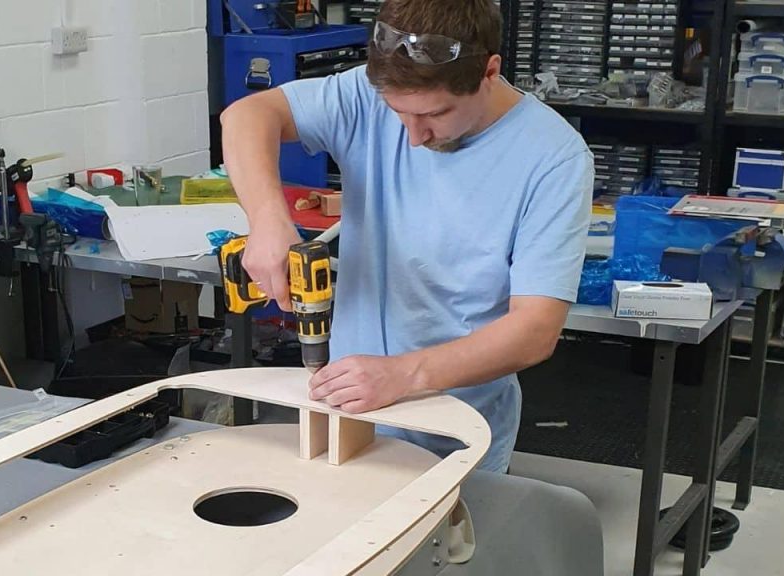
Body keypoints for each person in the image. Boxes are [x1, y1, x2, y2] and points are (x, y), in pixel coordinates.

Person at [220, 0, 593, 473]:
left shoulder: (554, 158)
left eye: (435, 115)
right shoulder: (365, 95)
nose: (414, 137)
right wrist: (267, 218)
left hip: (458, 431)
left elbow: (535, 331)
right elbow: (246, 116)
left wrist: (404, 374)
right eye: (399, 114)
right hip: (348, 417)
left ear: (490, 72)